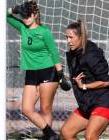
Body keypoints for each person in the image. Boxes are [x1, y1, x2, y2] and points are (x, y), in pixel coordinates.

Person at [7, 0, 71, 139]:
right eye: (23, 15)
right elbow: (7, 16)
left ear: (35, 15)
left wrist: (60, 74)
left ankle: (48, 136)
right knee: (26, 109)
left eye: (28, 15)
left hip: (48, 71)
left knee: (45, 108)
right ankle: (51, 134)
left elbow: (54, 53)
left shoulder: (44, 31)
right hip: (31, 73)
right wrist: (16, 9)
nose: (25, 18)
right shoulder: (22, 27)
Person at [61, 19, 109, 140]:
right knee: (66, 132)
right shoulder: (74, 54)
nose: (68, 41)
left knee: (90, 136)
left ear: (81, 37)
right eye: (66, 37)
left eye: (71, 37)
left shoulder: (91, 55)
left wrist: (84, 86)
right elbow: (80, 76)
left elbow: (105, 81)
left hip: (103, 102)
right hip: (87, 104)